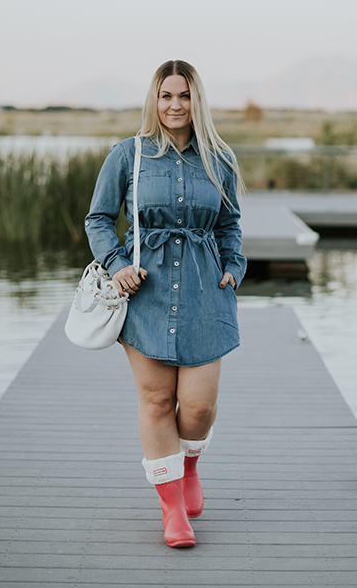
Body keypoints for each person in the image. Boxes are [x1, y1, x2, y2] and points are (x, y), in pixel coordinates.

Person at [84, 60, 247, 548]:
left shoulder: (221, 159)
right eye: (165, 95)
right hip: (146, 294)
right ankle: (173, 510)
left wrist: (234, 268)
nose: (175, 105)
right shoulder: (127, 155)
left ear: (197, 100)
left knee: (197, 408)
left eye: (184, 95)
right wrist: (116, 264)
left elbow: (230, 225)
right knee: (156, 401)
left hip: (205, 292)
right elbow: (97, 218)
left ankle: (188, 463)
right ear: (153, 101)